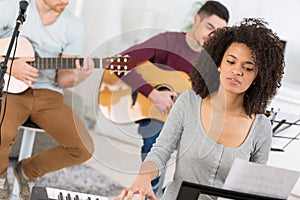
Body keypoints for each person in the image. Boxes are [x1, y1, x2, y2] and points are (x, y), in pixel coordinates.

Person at [115, 18, 285, 200]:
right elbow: (160, 151)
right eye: (231, 62)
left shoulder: (261, 127)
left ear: (259, 76)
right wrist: (143, 178)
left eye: (248, 67)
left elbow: (254, 188)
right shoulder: (188, 102)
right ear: (219, 63)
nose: (237, 71)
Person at [113, 1, 229, 195]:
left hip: (190, 120)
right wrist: (153, 94)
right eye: (210, 26)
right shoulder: (168, 41)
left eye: (217, 32)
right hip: (155, 113)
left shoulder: (214, 61)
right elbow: (119, 63)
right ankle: (152, 193)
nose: (211, 35)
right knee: (156, 140)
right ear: (196, 20)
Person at [0, 0, 95, 199]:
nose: (66, 1)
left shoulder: (74, 26)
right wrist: (9, 65)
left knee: (83, 148)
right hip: (11, 90)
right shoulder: (12, 8)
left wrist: (81, 75)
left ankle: (26, 171)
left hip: (48, 93)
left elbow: (63, 78)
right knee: (2, 132)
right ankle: (0, 176)